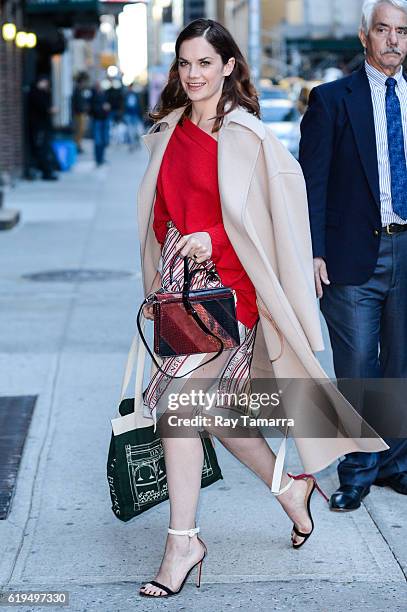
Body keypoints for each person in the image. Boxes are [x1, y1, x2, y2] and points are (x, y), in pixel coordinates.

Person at [136, 19, 387, 598]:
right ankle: (290, 489)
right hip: (182, 290)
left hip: (231, 292)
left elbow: (274, 220)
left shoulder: (247, 136)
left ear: (228, 66)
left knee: (177, 408)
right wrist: (161, 275)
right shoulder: (169, 130)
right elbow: (159, 217)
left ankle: (183, 542)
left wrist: (213, 241)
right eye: (185, 63)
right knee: (215, 413)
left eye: (205, 63)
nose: (194, 74)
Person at [299, 0, 407, 512]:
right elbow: (311, 184)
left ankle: (395, 463)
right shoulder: (331, 100)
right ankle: (357, 470)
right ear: (364, 36)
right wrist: (314, 252)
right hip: (350, 255)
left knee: (401, 367)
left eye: (402, 31)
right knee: (359, 368)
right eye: (383, 29)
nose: (393, 40)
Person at [28, 75, 59, 181]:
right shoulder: (36, 93)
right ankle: (45, 172)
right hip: (39, 126)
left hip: (43, 126)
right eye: (44, 81)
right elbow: (45, 108)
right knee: (42, 150)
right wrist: (51, 109)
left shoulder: (42, 93)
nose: (46, 84)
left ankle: (47, 171)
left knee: (45, 149)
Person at [89, 81, 111, 167]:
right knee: (98, 141)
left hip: (104, 119)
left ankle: (101, 158)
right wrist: (102, 108)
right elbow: (92, 108)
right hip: (97, 120)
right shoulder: (93, 95)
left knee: (104, 140)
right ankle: (98, 159)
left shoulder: (104, 94)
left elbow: (108, 104)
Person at [72, 72, 91, 154]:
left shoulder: (81, 90)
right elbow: (76, 103)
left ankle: (78, 145)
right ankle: (77, 146)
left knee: (82, 130)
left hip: (81, 113)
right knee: (79, 130)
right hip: (78, 113)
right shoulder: (77, 90)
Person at [123, 84, 143, 151]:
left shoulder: (136, 95)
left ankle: (136, 143)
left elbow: (139, 105)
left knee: (135, 130)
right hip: (128, 115)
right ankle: (131, 144)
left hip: (135, 115)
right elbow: (123, 105)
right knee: (129, 130)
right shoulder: (126, 95)